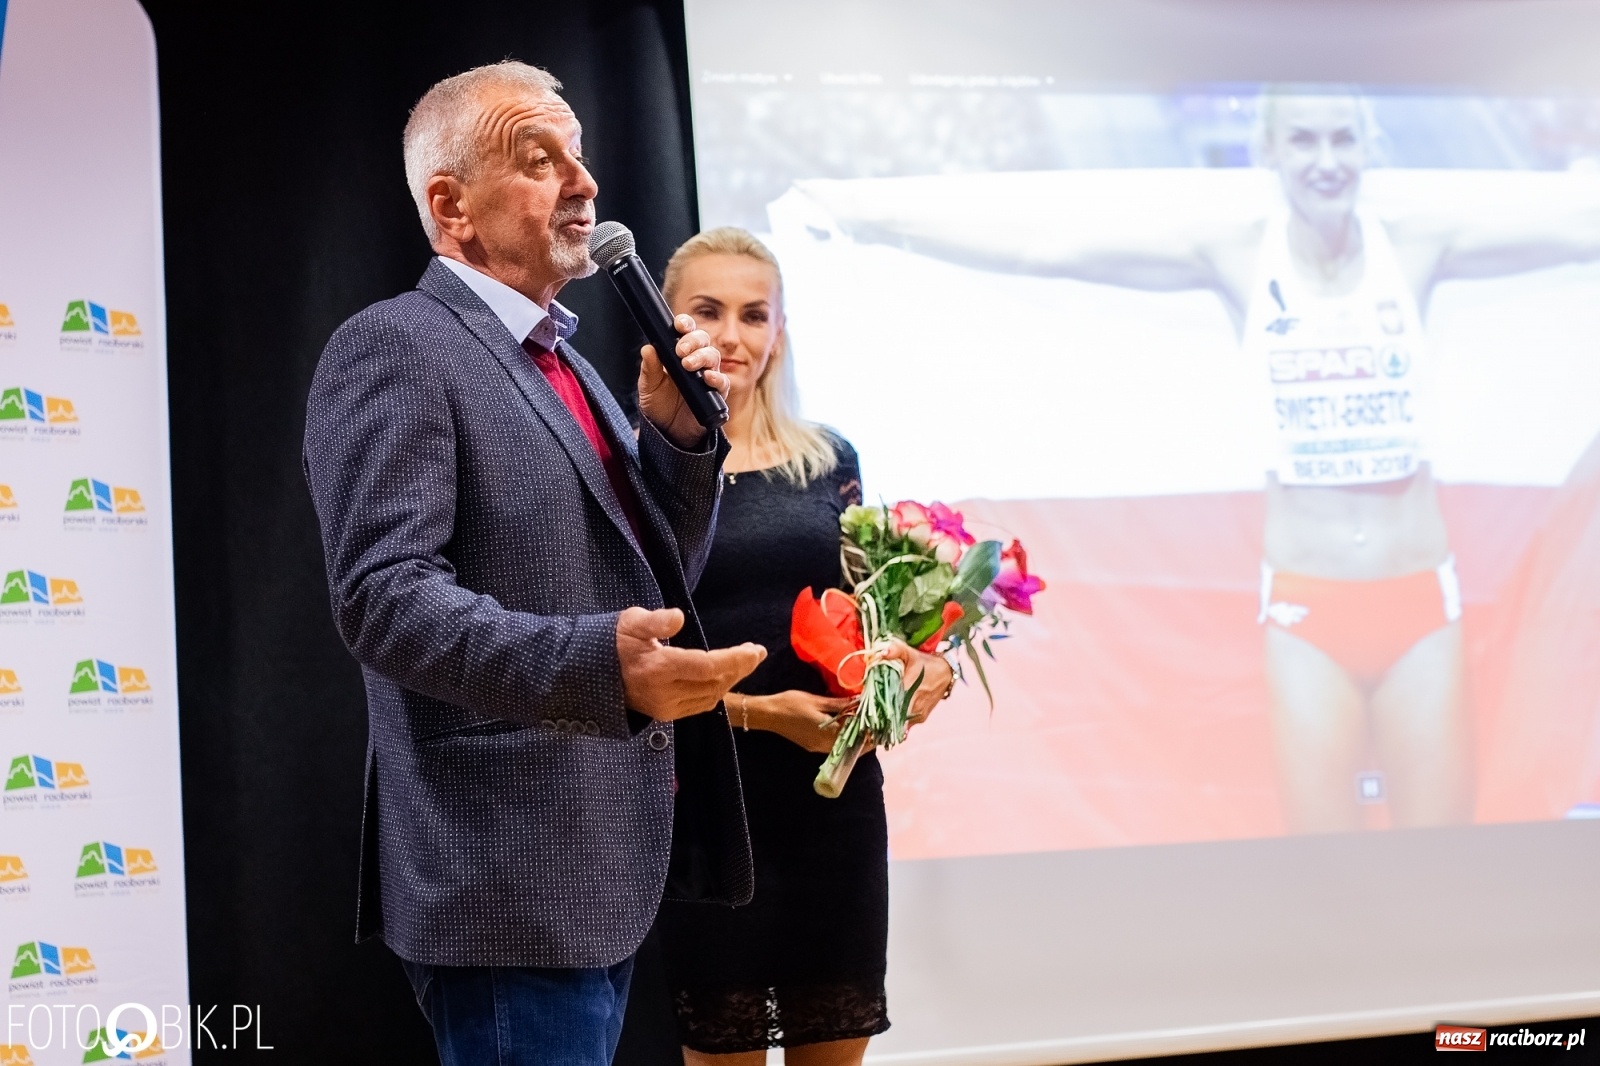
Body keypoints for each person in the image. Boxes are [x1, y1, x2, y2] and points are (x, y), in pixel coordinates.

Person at [805, 91, 1600, 833]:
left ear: (1368, 145)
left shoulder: (1415, 249)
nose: (1325, 157)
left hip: (1419, 600)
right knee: (1323, 859)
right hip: (1307, 608)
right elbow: (1054, 246)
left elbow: (1573, 231)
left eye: (1342, 137)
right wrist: (869, 217)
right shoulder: (1244, 256)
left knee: (1441, 848)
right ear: (1271, 151)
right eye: (1303, 139)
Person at [302, 63, 767, 1066]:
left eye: (580, 153)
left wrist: (677, 446)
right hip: (500, 875)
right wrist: (602, 665)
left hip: (597, 862)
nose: (584, 181)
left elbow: (648, 582)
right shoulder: (395, 347)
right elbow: (382, 600)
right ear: (450, 206)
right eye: (538, 158)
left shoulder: (574, 365)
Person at [652, 228, 953, 1066]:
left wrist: (916, 666)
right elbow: (630, 672)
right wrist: (757, 715)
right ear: (668, 321)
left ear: (779, 332)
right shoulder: (639, 468)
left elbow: (874, 618)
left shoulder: (829, 459)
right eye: (707, 312)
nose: (734, 335)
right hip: (709, 811)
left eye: (755, 315)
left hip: (833, 812)